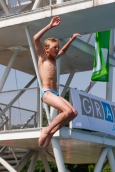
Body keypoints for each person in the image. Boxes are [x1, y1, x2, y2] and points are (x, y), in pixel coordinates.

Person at [33, 16, 81, 148]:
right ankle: (46, 130)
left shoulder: (54, 59)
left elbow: (64, 51)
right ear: (46, 49)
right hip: (47, 93)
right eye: (54, 47)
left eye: (57, 47)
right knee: (66, 111)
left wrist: (71, 39)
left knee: (74, 113)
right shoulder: (43, 57)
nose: (56, 49)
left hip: (55, 93)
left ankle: (52, 131)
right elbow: (36, 38)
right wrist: (49, 26)